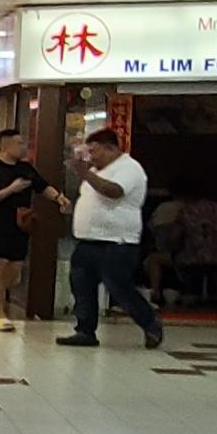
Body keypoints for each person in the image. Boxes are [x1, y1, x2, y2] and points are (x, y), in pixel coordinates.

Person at [57, 120, 165, 350]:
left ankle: (150, 323)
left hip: (116, 242)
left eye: (94, 151)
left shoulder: (129, 168)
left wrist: (84, 173)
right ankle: (85, 330)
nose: (91, 156)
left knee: (119, 287)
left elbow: (114, 191)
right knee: (82, 286)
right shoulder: (95, 171)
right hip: (88, 240)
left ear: (111, 148)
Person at [0, 129, 43, 326]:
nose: (24, 147)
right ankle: (0, 313)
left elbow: (42, 185)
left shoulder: (26, 169)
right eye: (19, 143)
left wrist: (59, 198)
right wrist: (10, 190)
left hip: (20, 226)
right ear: (5, 146)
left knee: (13, 276)